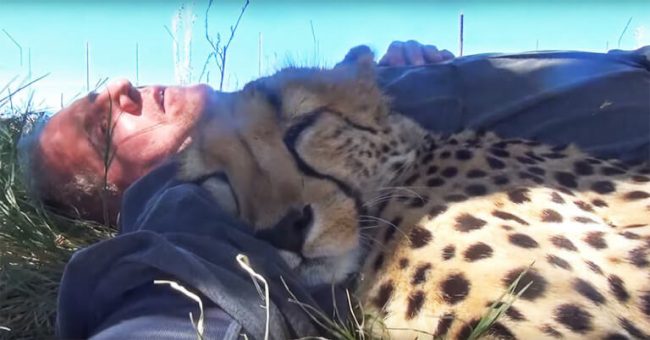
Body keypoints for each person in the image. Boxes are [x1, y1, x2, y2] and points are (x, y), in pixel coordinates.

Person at [28, 40, 650, 338]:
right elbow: (185, 278)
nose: (121, 86)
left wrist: (410, 66)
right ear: (112, 196)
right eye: (101, 123)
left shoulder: (316, 83)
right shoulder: (183, 191)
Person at [18, 41, 455, 226]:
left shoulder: (258, 104)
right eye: (102, 126)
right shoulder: (199, 214)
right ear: (121, 199)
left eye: (101, 93)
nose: (122, 87)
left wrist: (383, 65)